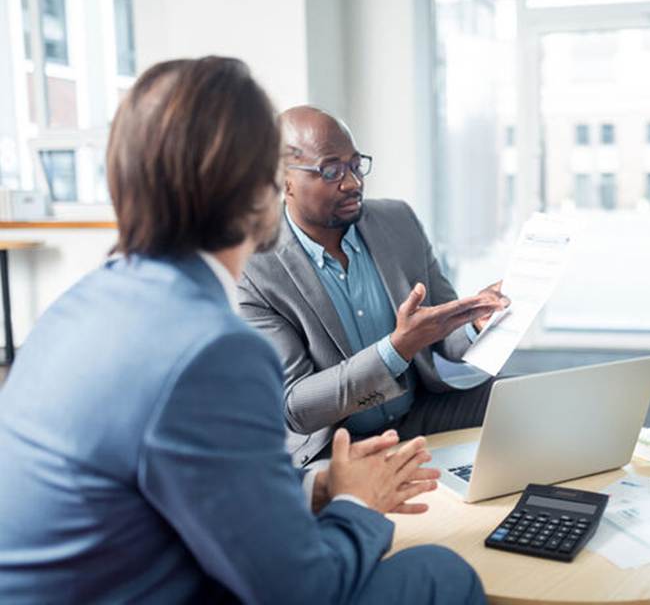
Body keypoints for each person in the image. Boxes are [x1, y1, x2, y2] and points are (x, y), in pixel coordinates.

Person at [0, 57, 484, 604]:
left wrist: (322, 488)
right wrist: (356, 505)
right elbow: (303, 591)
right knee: (440, 572)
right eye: (328, 169)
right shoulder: (212, 348)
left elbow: (188, 482)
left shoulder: (75, 307)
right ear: (269, 188)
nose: (350, 182)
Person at [238, 106, 509, 466]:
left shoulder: (397, 221)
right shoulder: (256, 269)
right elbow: (296, 407)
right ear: (282, 181)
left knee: (522, 400)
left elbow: (446, 339)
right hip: (337, 441)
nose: (353, 183)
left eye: (355, 164)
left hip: (418, 412)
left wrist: (474, 321)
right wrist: (396, 350)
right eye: (330, 170)